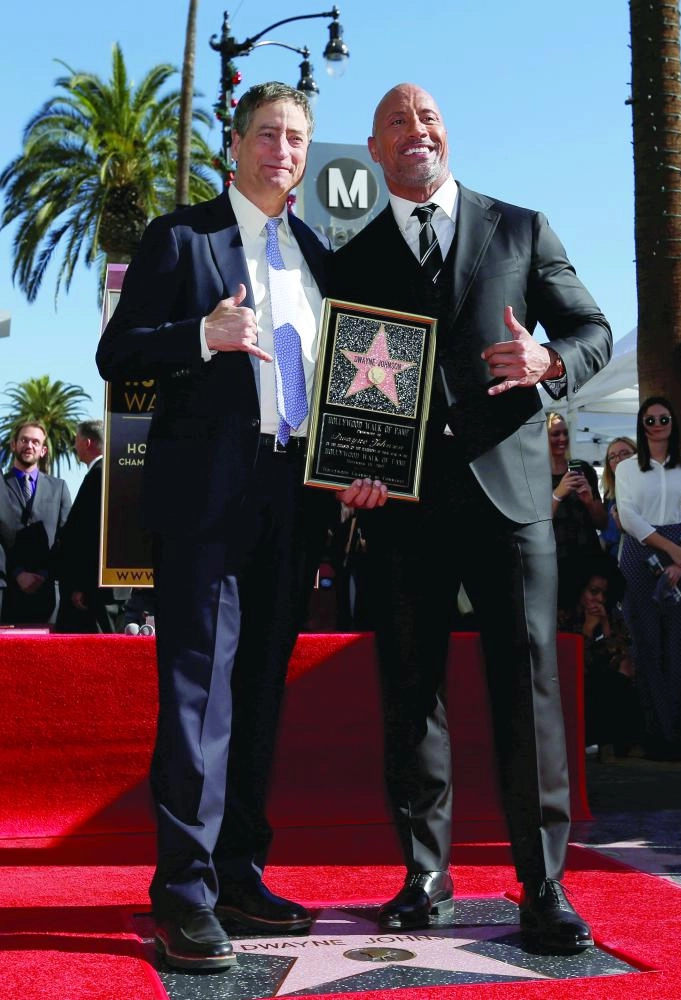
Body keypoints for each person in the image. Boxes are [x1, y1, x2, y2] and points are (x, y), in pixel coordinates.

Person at [96, 82, 384, 972]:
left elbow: (344, 377)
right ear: (235, 145)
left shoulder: (317, 253)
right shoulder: (180, 238)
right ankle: (182, 893)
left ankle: (237, 875)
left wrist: (359, 464)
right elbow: (118, 354)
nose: (284, 151)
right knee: (197, 698)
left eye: (297, 137)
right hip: (206, 506)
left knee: (260, 692)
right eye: (267, 135)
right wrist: (200, 336)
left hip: (293, 500)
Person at [328, 83, 612, 954]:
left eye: (429, 119)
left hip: (512, 498)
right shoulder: (352, 258)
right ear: (373, 151)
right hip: (403, 510)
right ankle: (424, 874)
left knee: (526, 691)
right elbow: (348, 389)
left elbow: (593, 330)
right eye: (398, 124)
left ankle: (544, 884)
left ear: (444, 135)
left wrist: (545, 359)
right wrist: (356, 474)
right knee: (409, 692)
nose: (418, 132)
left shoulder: (520, 228)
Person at [614, 396, 681, 758]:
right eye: (649, 420)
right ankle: (656, 733)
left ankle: (680, 731)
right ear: (642, 425)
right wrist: (671, 550)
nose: (656, 425)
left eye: (663, 419)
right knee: (646, 644)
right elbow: (630, 517)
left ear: (673, 423)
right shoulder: (626, 470)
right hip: (642, 553)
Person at [558, 554, 642, 760]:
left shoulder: (612, 616)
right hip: (573, 687)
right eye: (593, 592)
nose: (599, 599)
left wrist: (605, 628)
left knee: (618, 682)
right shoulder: (563, 616)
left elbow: (625, 665)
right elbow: (570, 664)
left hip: (605, 684)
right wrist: (587, 629)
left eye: (604, 594)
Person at [0, 421, 71, 625]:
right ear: (14, 444)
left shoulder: (59, 488)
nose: (29, 445)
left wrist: (43, 574)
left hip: (46, 594)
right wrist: (17, 573)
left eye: (35, 442)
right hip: (6, 591)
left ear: (43, 450)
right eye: (24, 440)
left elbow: (65, 537)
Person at [54, 420, 118, 633]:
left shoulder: (99, 475)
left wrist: (82, 586)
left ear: (88, 442)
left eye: (76, 440)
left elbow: (91, 536)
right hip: (108, 587)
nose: (74, 446)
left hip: (96, 591)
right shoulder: (111, 472)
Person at [547, 411, 606, 609]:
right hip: (554, 564)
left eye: (565, 433)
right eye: (555, 434)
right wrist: (558, 494)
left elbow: (602, 523)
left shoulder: (582, 468)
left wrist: (589, 501)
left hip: (588, 559)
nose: (562, 439)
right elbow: (536, 523)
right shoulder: (534, 473)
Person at [599, 436, 637, 561]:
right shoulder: (609, 492)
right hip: (610, 558)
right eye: (612, 456)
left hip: (634, 558)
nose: (618, 459)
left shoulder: (648, 489)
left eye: (624, 453)